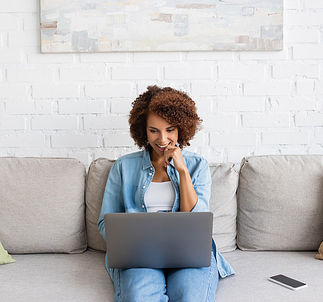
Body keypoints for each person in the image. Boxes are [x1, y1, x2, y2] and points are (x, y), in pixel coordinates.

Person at [98, 85, 234, 302]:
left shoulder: (197, 165)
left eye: (170, 130)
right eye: (154, 130)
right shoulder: (123, 167)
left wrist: (182, 171)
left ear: (181, 128)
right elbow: (105, 224)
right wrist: (132, 241)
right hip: (138, 256)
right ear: (143, 130)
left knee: (190, 297)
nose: (162, 139)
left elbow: (196, 220)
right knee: (138, 297)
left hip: (189, 255)